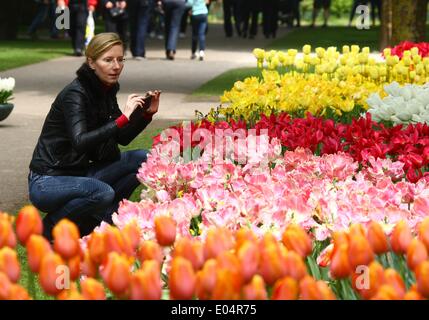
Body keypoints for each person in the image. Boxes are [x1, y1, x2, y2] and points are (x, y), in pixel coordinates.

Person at [28, 33, 161, 240]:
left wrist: (146, 115)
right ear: (91, 62)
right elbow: (80, 142)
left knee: (143, 159)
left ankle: (99, 221)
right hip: (48, 180)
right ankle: (47, 230)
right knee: (102, 192)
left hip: (78, 173)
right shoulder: (76, 94)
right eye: (108, 60)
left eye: (120, 59)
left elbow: (122, 137)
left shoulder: (106, 89)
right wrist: (123, 118)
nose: (116, 66)